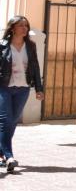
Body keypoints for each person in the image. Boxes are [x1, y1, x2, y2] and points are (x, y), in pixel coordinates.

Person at [0, 16, 44, 172]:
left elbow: (35, 67)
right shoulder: (2, 45)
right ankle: (9, 157)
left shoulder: (30, 46)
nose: (25, 28)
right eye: (21, 25)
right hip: (4, 87)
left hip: (23, 89)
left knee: (12, 122)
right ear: (13, 28)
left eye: (26, 25)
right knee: (5, 120)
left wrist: (39, 89)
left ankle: (2, 153)